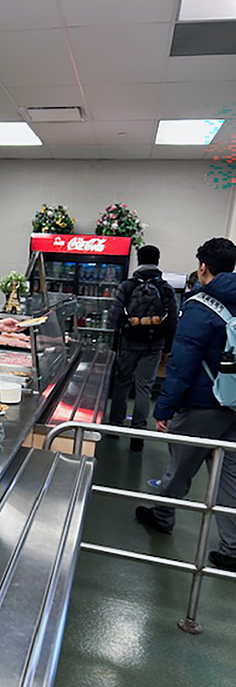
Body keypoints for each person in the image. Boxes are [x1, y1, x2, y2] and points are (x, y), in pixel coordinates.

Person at [135, 237, 236, 571]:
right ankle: (232, 548)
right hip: (234, 404)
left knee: (180, 465)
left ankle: (163, 515)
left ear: (203, 267)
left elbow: (181, 365)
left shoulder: (201, 305)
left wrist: (163, 409)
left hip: (202, 403)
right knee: (231, 477)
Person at [108, 245, 178, 451]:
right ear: (158, 260)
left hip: (128, 343)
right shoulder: (166, 288)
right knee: (144, 387)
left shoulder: (127, 286)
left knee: (121, 384)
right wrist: (167, 347)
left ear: (138, 260)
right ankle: (137, 435)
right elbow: (173, 321)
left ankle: (115, 428)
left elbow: (113, 318)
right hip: (153, 345)